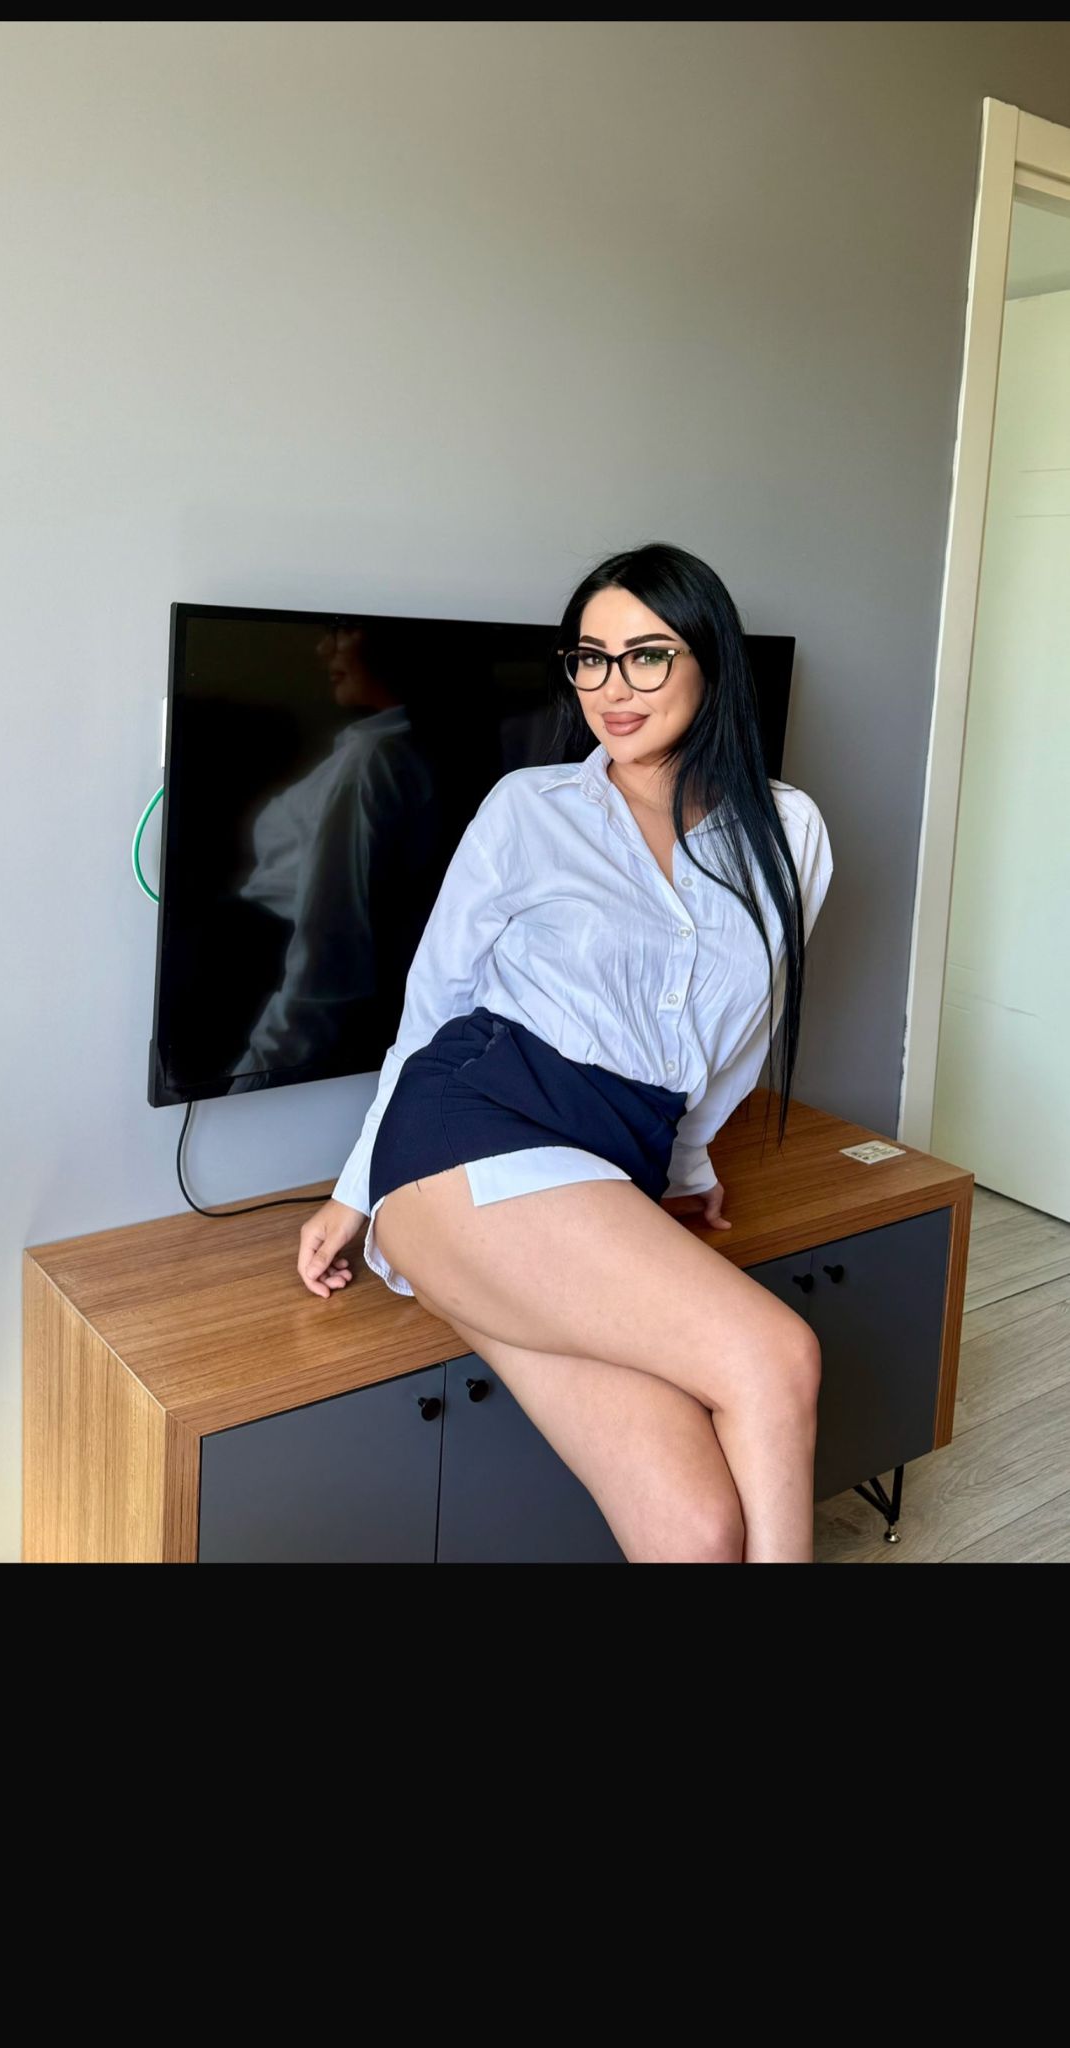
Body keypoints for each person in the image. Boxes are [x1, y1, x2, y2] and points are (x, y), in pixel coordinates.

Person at [297, 543, 834, 1565]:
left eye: (646, 655)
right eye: (590, 658)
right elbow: (433, 1004)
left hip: (610, 1166)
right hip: (467, 1126)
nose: (611, 688)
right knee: (777, 1355)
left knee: (696, 1530)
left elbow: (738, 1034)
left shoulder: (789, 831)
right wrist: (353, 1191)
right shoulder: (528, 809)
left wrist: (685, 1166)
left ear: (710, 660)